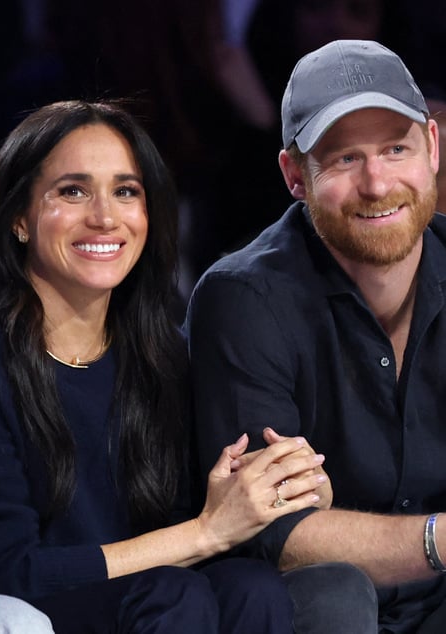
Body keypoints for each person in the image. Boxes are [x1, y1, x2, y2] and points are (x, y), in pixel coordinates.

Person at [0, 99, 330, 633]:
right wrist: (206, 532)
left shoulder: (162, 351)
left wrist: (293, 491)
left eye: (126, 191)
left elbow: (209, 511)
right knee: (173, 595)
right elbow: (4, 570)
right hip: (24, 609)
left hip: (151, 600)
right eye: (72, 191)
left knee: (250, 591)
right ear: (20, 218)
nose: (104, 216)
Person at [185, 39, 446, 632]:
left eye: (395, 149)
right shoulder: (244, 300)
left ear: (432, 146)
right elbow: (272, 531)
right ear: (294, 175)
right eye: (345, 159)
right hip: (317, 608)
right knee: (335, 588)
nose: (377, 184)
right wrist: (437, 539)